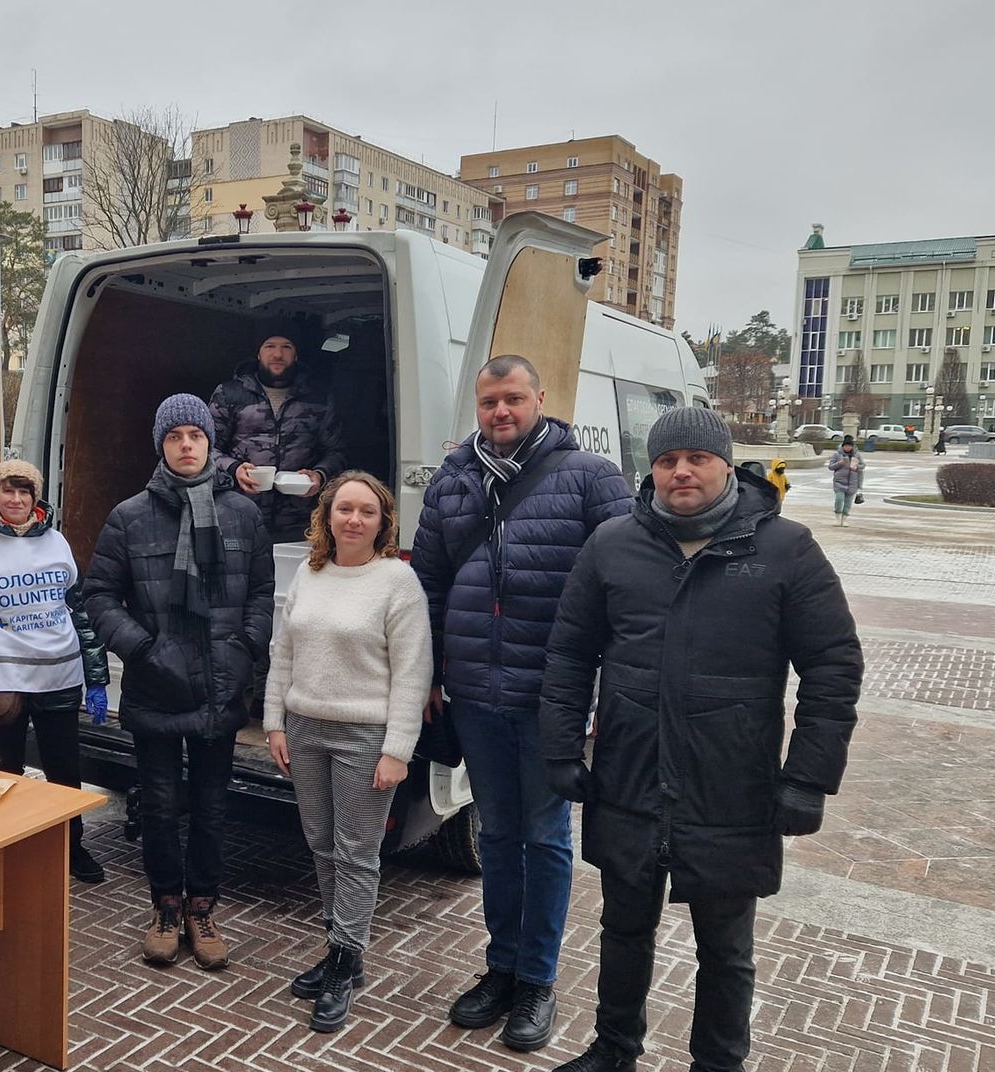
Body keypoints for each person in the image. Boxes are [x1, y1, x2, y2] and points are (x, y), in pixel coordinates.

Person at [539, 406, 863, 1072]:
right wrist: (562, 746)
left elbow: (833, 665)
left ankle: (719, 1063)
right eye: (666, 460)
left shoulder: (785, 548)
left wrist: (807, 776)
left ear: (725, 464)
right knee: (623, 927)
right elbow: (571, 653)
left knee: (725, 946)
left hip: (730, 784)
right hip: (628, 774)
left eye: (696, 458)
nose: (680, 471)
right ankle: (615, 1047)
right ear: (651, 470)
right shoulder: (612, 544)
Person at [410, 354, 631, 1052]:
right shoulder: (453, 479)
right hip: (475, 690)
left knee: (545, 836)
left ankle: (537, 979)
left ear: (540, 396)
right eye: (487, 403)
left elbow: (625, 590)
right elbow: (429, 585)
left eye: (512, 399)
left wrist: (602, 690)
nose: (500, 412)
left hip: (553, 696)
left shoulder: (591, 478)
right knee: (498, 836)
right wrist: (431, 675)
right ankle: (500, 967)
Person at [84, 394, 274, 970]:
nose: (186, 445)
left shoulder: (244, 514)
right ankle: (166, 906)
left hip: (221, 684)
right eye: (174, 437)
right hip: (156, 685)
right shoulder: (129, 516)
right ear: (161, 445)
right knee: (162, 806)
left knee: (214, 806)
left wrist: (246, 648)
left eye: (195, 435)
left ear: (210, 443)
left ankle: (203, 907)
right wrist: (141, 649)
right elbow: (97, 596)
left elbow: (262, 594)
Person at [263, 471, 432, 1033]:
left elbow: (413, 674)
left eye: (367, 512)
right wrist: (274, 722)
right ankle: (343, 948)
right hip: (305, 726)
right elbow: (281, 651)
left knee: (356, 849)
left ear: (383, 521)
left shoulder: (397, 583)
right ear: (327, 516)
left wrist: (398, 750)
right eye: (343, 509)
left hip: (365, 736)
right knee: (319, 841)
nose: (354, 520)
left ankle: (344, 959)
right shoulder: (309, 574)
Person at [0, 459, 109, 883]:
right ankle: (5, 849)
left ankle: (71, 848)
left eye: (25, 492)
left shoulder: (57, 542)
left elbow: (80, 613)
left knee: (64, 771)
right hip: (2, 680)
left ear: (35, 498)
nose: (16, 500)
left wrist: (96, 676)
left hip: (59, 674)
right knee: (3, 769)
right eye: (8, 491)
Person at [208, 332, 347, 542]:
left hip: (301, 520)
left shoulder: (318, 397)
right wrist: (235, 469)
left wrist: (319, 475)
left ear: (296, 355)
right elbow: (207, 449)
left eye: (287, 347)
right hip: (239, 514)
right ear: (258, 353)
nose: (278, 354)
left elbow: (337, 451)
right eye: (270, 346)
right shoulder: (230, 393)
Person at [828, 437, 865, 526]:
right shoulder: (837, 454)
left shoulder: (857, 455)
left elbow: (863, 465)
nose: (847, 448)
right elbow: (830, 466)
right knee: (839, 500)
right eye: (846, 446)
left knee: (848, 503)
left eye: (849, 446)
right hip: (839, 482)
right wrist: (840, 463)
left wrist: (856, 467)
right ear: (843, 446)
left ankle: (844, 519)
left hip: (853, 482)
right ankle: (837, 518)